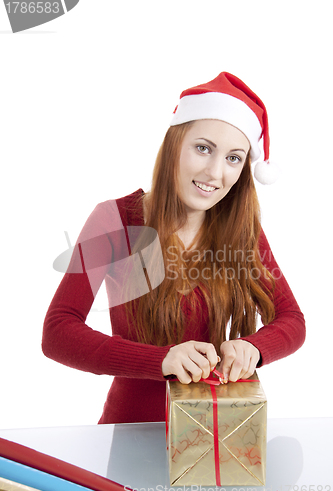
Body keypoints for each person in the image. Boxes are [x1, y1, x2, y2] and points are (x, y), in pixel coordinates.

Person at [42, 72, 305, 424]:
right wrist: (161, 361)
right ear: (174, 144)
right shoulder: (115, 220)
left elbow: (291, 319)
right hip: (129, 433)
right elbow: (58, 331)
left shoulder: (242, 231)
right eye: (203, 148)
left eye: (234, 158)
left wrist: (254, 348)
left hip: (214, 436)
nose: (215, 172)